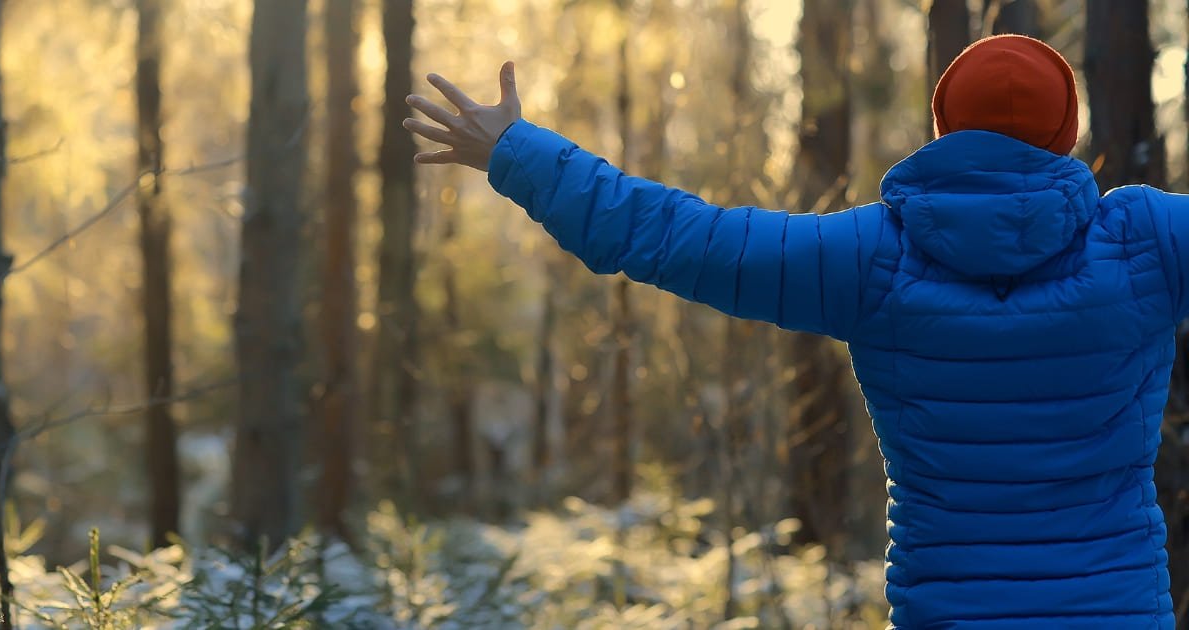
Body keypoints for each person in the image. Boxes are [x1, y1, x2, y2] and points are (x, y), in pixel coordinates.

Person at [403, 35, 1176, 628]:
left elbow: (678, 236)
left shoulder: (873, 257)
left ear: (944, 129)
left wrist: (517, 151)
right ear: (1067, 132)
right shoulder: (1147, 240)